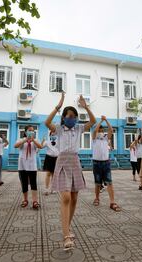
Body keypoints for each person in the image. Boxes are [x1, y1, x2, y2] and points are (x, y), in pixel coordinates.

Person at [45, 93, 96, 250]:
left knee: (74, 197)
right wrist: (58, 107)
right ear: (64, 117)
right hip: (62, 161)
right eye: (70, 116)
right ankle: (66, 235)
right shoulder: (59, 129)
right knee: (66, 196)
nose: (72, 118)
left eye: (74, 116)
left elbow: (93, 121)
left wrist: (85, 106)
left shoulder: (79, 128)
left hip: (74, 161)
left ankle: (67, 225)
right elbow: (47, 122)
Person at [92, 116, 121, 211]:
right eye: (99, 129)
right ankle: (97, 198)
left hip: (106, 163)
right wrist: (100, 121)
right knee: (97, 183)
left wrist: (106, 120)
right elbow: (95, 130)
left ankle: (112, 202)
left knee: (109, 182)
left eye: (101, 130)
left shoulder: (105, 138)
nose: (100, 131)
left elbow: (111, 130)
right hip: (96, 163)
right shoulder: (94, 138)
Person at [14, 125, 43, 209]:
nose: (31, 132)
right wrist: (25, 140)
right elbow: (15, 145)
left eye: (33, 131)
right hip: (22, 165)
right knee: (24, 183)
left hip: (32, 166)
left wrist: (33, 139)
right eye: (29, 130)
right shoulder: (21, 139)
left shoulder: (35, 140)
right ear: (25, 132)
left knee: (33, 183)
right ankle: (25, 200)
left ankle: (35, 201)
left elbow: (40, 146)